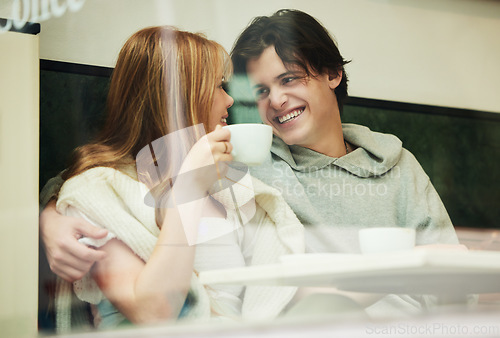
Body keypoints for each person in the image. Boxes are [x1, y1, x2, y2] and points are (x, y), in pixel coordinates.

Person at [40, 9, 464, 321]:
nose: (274, 101)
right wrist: (48, 217)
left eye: (290, 79)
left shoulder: (398, 165)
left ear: (332, 73)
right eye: (258, 90)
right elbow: (98, 182)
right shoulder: (243, 165)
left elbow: (454, 270)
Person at [42, 25, 305, 332]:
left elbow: (278, 291)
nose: (229, 101)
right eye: (218, 86)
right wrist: (189, 188)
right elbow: (153, 311)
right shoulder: (99, 193)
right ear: (177, 99)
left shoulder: (229, 192)